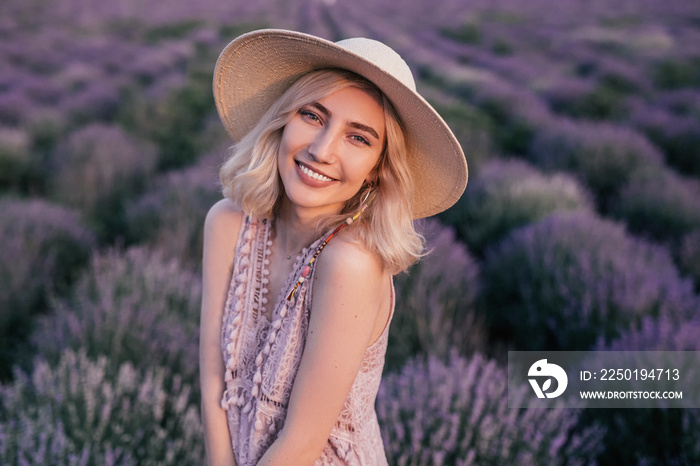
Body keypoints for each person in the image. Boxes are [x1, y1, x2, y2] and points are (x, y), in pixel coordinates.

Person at [199, 29, 467, 465]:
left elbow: (302, 444)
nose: (323, 150)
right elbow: (214, 379)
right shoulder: (228, 223)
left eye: (358, 138)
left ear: (378, 170)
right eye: (313, 116)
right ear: (284, 119)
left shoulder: (350, 264)